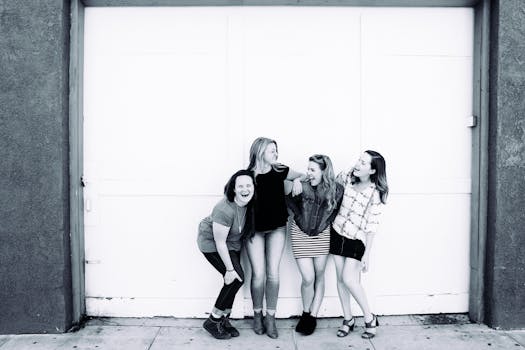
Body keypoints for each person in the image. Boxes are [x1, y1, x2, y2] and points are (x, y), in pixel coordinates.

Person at [245, 137, 304, 339]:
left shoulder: (281, 170)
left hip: (278, 227)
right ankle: (257, 315)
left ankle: (271, 317)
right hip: (254, 230)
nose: (276, 154)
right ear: (260, 151)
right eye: (272, 151)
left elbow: (304, 176)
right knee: (258, 273)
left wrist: (295, 180)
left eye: (276, 150)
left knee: (273, 273)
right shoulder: (247, 175)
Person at [329, 150, 389, 339]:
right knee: (340, 279)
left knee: (350, 279)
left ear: (372, 171)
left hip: (357, 239)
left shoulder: (376, 193)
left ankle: (369, 318)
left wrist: (367, 254)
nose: (358, 164)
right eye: (359, 160)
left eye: (364, 163)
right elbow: (333, 184)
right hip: (337, 232)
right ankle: (348, 319)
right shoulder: (348, 177)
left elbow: (372, 225)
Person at [285, 154, 344, 335]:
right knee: (308, 278)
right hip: (301, 234)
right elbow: (289, 202)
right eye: (308, 168)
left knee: (319, 274)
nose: (308, 172)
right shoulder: (301, 186)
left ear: (324, 171)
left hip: (322, 235)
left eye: (312, 169)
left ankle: (312, 317)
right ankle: (306, 311)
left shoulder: (337, 189)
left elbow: (338, 210)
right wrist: (299, 180)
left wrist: (326, 223)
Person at [197, 169, 256, 340]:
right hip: (212, 244)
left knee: (236, 280)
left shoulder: (250, 204)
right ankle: (213, 320)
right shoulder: (224, 209)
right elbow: (219, 242)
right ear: (233, 189)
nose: (245, 189)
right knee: (235, 278)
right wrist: (229, 270)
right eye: (241, 186)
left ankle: (223, 319)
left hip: (231, 244)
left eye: (248, 185)